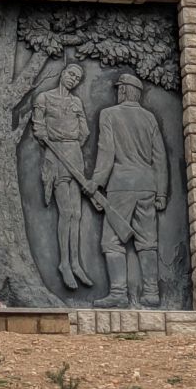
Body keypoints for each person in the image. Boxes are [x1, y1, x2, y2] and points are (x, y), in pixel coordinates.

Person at [91, 73, 169, 309]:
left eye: (119, 89)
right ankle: (151, 293)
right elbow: (159, 157)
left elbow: (106, 152)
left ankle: (118, 293)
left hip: (121, 186)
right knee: (147, 241)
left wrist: (96, 183)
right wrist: (161, 192)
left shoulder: (109, 114)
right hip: (147, 185)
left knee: (112, 241)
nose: (117, 92)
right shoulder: (149, 118)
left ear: (124, 90)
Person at [32, 63, 92, 291]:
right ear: (63, 73)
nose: (73, 79)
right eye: (71, 74)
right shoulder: (44, 98)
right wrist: (52, 140)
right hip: (55, 155)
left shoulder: (76, 102)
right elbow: (38, 128)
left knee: (77, 213)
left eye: (77, 78)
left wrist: (71, 143)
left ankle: (76, 262)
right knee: (65, 212)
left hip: (74, 154)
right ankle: (64, 263)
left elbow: (84, 131)